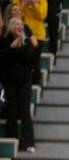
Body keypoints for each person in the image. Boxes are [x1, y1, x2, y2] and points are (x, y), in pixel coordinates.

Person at [0, 15, 36, 152]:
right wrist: (12, 47)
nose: (20, 27)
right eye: (17, 24)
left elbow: (29, 58)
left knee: (25, 111)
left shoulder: (26, 41)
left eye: (21, 25)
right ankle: (12, 140)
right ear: (11, 27)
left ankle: (28, 143)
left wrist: (21, 45)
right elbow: (3, 59)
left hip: (24, 81)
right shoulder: (4, 41)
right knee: (12, 111)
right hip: (9, 82)